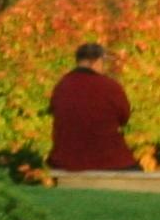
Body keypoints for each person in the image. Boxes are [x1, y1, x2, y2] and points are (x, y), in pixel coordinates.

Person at [48, 42, 137, 170]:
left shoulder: (61, 86)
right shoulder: (110, 87)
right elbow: (124, 118)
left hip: (65, 159)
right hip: (108, 158)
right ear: (97, 61)